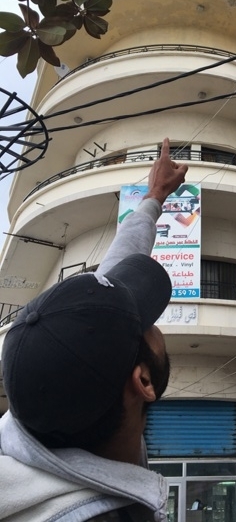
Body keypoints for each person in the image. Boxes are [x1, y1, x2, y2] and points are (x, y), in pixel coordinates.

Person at [0, 137, 188, 522]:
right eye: (146, 320)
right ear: (143, 381)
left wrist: (154, 197)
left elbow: (113, 274)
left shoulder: (36, 423)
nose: (154, 324)